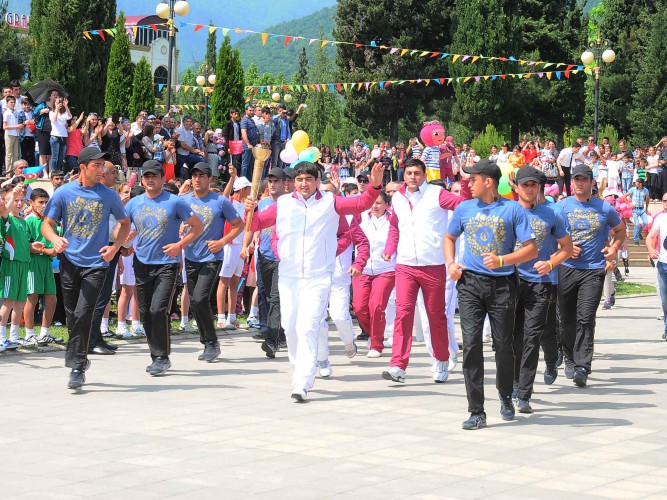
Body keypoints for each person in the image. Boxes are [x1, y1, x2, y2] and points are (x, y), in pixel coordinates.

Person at [245, 161, 384, 401]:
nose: (304, 184)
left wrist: (375, 185)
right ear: (294, 182)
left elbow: (361, 203)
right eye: (299, 180)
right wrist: (252, 210)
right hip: (289, 276)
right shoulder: (284, 204)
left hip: (318, 276)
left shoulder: (330, 201)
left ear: (317, 181)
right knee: (290, 327)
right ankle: (299, 367)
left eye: (309, 179)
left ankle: (303, 380)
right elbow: (256, 224)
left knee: (308, 326)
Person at [445, 159, 538, 430]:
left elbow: (531, 249)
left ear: (488, 181)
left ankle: (506, 395)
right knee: (472, 345)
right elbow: (449, 238)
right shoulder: (464, 208)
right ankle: (476, 410)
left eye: (472, 179)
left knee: (503, 345)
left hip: (502, 285)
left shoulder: (512, 209)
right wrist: (451, 263)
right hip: (470, 284)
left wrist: (503, 259)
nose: (468, 183)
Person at [41, 147, 130, 390]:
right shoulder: (64, 192)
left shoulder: (109, 195)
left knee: (83, 312)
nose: (102, 170)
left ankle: (77, 366)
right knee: (72, 315)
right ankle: (80, 357)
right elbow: (46, 225)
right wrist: (55, 239)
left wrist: (115, 248)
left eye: (103, 166)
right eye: (97, 165)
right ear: (83, 167)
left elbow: (125, 223)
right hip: (70, 261)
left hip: (97, 263)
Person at [380, 158, 470, 384]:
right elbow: (394, 227)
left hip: (433, 265)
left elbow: (463, 204)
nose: (412, 177)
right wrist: (390, 249)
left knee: (435, 316)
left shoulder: (436, 193)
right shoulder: (398, 197)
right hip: (406, 266)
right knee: (403, 313)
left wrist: (466, 182)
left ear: (424, 175)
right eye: (409, 173)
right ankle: (398, 365)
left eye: (417, 173)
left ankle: (441, 360)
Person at [124, 160, 204, 375]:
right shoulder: (133, 203)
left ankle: (162, 356)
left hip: (166, 265)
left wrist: (179, 245)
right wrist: (124, 240)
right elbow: (120, 231)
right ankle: (156, 354)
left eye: (154, 176)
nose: (150, 180)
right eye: (146, 176)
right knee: (145, 313)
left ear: (162, 178)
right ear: (142, 179)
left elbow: (198, 227)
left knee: (158, 310)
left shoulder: (175, 202)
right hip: (141, 263)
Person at [511, 167, 573, 413]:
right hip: (510, 283)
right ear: (516, 186)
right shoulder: (506, 212)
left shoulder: (551, 213)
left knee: (532, 337)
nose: (529, 189)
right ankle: (514, 382)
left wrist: (550, 263)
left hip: (541, 284)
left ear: (539, 188)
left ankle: (524, 392)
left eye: (533, 185)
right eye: (524, 184)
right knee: (511, 339)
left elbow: (566, 248)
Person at [557, 164, 625, 387]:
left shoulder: (604, 208)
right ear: (571, 182)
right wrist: (564, 247)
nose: (579, 183)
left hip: (593, 269)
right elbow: (550, 233)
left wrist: (614, 248)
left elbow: (621, 229)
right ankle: (569, 358)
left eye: (584, 179)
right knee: (566, 319)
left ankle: (582, 366)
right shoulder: (561, 206)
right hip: (566, 267)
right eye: (576, 179)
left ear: (591, 183)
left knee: (585, 318)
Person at [183, 162, 243, 362]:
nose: (197, 179)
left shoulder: (220, 201)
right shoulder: (184, 201)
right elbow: (176, 222)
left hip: (212, 257)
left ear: (210, 179)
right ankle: (207, 340)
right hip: (190, 257)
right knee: (196, 301)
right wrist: (181, 228)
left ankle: (211, 342)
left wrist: (222, 241)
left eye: (202, 175)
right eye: (195, 175)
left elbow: (238, 225)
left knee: (200, 298)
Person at [242, 168, 286, 358]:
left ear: (285, 183)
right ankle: (278, 332)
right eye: (270, 181)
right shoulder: (263, 202)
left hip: (281, 258)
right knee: (266, 296)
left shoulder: (289, 204)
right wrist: (246, 245)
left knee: (276, 298)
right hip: (264, 255)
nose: (273, 184)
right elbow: (252, 225)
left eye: (277, 181)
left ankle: (271, 339)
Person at [352, 191, 395, 357]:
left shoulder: (393, 220)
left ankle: (376, 345)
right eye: (372, 202)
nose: (374, 206)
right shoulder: (360, 217)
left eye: (378, 203)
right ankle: (373, 333)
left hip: (386, 269)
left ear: (386, 205)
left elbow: (397, 239)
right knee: (359, 307)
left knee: (376, 306)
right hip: (362, 269)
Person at [24, 188, 62, 345]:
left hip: (47, 263)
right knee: (32, 297)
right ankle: (29, 333)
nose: (44, 205)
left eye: (46, 202)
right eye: (40, 202)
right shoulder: (28, 221)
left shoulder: (50, 221)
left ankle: (45, 332)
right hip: (33, 263)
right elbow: (26, 245)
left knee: (51, 298)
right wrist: (47, 250)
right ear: (31, 202)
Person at [0, 185, 33, 350]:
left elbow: (24, 243)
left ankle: (14, 335)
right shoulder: (6, 219)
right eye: (15, 200)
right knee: (9, 300)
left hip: (24, 264)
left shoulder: (22, 221)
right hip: (11, 265)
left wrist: (34, 246)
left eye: (21, 200)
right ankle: (0, 336)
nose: (19, 203)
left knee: (20, 300)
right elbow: (5, 212)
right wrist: (13, 194)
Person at [646, 193, 667, 341]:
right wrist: (650, 249)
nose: (666, 203)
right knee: (665, 300)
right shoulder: (660, 218)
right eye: (664, 200)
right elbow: (650, 237)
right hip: (663, 264)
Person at [623, 178, 649, 245]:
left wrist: (646, 208)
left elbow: (647, 199)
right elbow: (624, 196)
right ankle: (635, 240)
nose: (635, 183)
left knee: (645, 222)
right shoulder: (633, 189)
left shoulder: (646, 190)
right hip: (635, 209)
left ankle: (638, 232)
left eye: (637, 182)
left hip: (642, 209)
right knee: (636, 224)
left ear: (640, 183)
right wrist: (629, 204)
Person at [240, 105, 259, 179]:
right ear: (246, 111)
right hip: (247, 146)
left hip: (253, 146)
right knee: (245, 165)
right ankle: (243, 181)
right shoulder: (244, 120)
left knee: (251, 165)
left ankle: (249, 182)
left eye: (252, 110)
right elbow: (243, 133)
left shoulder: (251, 120)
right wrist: (248, 144)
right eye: (250, 110)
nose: (251, 112)